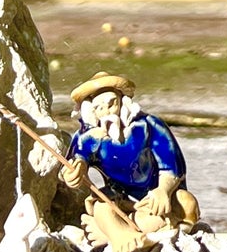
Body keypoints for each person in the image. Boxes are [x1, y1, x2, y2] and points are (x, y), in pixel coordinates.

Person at [65, 72, 188, 208]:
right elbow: (75, 160)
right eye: (100, 108)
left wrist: (163, 189)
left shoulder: (148, 125)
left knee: (186, 204)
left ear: (122, 101)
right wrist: (76, 171)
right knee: (102, 207)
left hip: (157, 193)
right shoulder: (87, 137)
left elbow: (172, 165)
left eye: (112, 104)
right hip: (119, 197)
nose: (107, 112)